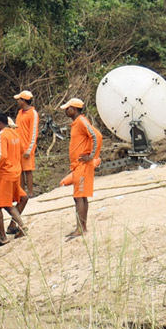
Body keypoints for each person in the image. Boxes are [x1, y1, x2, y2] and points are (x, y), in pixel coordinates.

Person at [61, 97, 101, 239]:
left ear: (74, 109)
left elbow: (97, 136)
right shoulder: (77, 123)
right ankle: (81, 227)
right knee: (80, 197)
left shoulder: (82, 121)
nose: (66, 111)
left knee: (79, 197)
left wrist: (92, 156)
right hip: (78, 165)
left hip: (82, 165)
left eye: (68, 108)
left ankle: (80, 228)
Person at [0, 112, 26, 247]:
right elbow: (21, 152)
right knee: (5, 204)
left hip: (2, 175)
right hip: (14, 174)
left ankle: (4, 236)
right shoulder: (15, 135)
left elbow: (0, 157)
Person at [10, 90, 39, 234]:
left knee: (28, 170)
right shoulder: (20, 113)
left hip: (27, 146)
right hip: (18, 146)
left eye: (19, 100)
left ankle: (31, 192)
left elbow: (34, 131)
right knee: (20, 171)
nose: (17, 102)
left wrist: (30, 148)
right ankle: (22, 193)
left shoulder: (33, 113)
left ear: (24, 100)